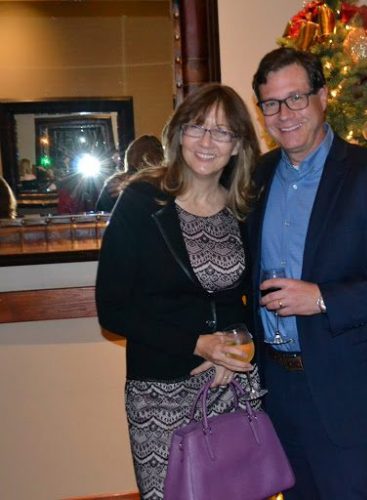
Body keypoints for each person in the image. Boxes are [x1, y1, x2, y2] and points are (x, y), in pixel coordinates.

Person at [247, 47, 367, 499]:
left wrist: (323, 298)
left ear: (324, 96)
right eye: (270, 104)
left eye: (295, 98)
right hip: (277, 390)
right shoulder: (255, 176)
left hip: (351, 392)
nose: (284, 114)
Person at [95, 83, 262, 499]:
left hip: (231, 385)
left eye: (223, 132)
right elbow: (113, 310)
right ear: (178, 134)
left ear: (238, 145)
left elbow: (253, 297)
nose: (207, 141)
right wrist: (197, 344)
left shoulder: (245, 207)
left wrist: (240, 349)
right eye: (197, 127)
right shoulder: (141, 201)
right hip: (159, 393)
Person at [95, 135, 164, 212]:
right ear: (160, 157)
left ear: (129, 155)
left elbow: (100, 215)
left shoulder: (114, 183)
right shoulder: (166, 185)